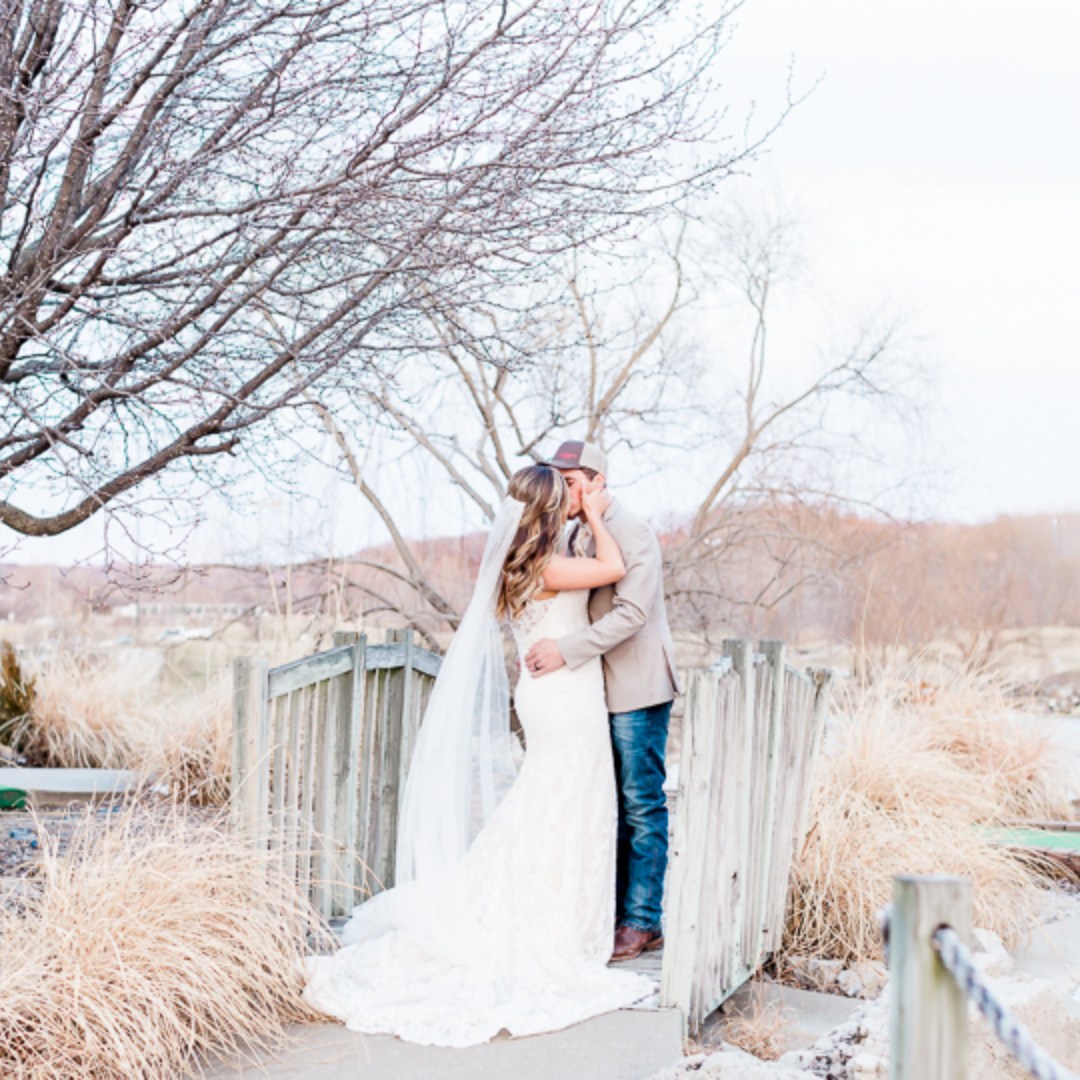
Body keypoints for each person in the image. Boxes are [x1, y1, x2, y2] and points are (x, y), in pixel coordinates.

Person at [302, 464, 654, 1047]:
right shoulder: (547, 565)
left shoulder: (519, 562)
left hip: (551, 693)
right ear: (547, 510)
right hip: (564, 699)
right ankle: (554, 926)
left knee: (555, 800)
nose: (577, 495)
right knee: (567, 801)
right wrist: (594, 512)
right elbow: (614, 569)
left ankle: (555, 913)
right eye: (565, 493)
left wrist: (582, 513)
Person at [525, 440, 680, 962]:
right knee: (602, 801)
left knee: (640, 803)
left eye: (571, 483)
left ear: (597, 482)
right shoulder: (572, 531)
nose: (562, 491)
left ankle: (641, 922)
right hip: (591, 691)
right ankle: (606, 910)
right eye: (559, 481)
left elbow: (632, 613)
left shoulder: (632, 530)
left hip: (635, 684)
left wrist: (565, 651)